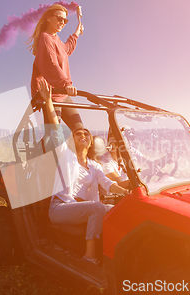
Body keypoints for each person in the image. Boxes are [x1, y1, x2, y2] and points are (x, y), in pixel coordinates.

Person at [37, 79, 129, 265]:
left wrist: (126, 193)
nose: (83, 135)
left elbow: (108, 184)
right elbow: (55, 128)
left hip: (82, 209)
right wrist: (48, 102)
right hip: (60, 208)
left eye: (86, 134)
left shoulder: (94, 166)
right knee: (97, 207)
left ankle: (118, 254)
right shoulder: (65, 155)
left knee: (117, 210)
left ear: (91, 142)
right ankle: (89, 257)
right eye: (78, 134)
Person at [28, 4, 84, 131]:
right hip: (51, 96)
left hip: (63, 94)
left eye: (65, 20)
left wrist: (76, 33)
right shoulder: (45, 38)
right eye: (59, 18)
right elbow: (51, 64)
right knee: (53, 136)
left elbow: (66, 50)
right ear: (48, 17)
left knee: (80, 131)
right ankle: (42, 151)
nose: (62, 22)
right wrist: (66, 84)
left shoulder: (56, 39)